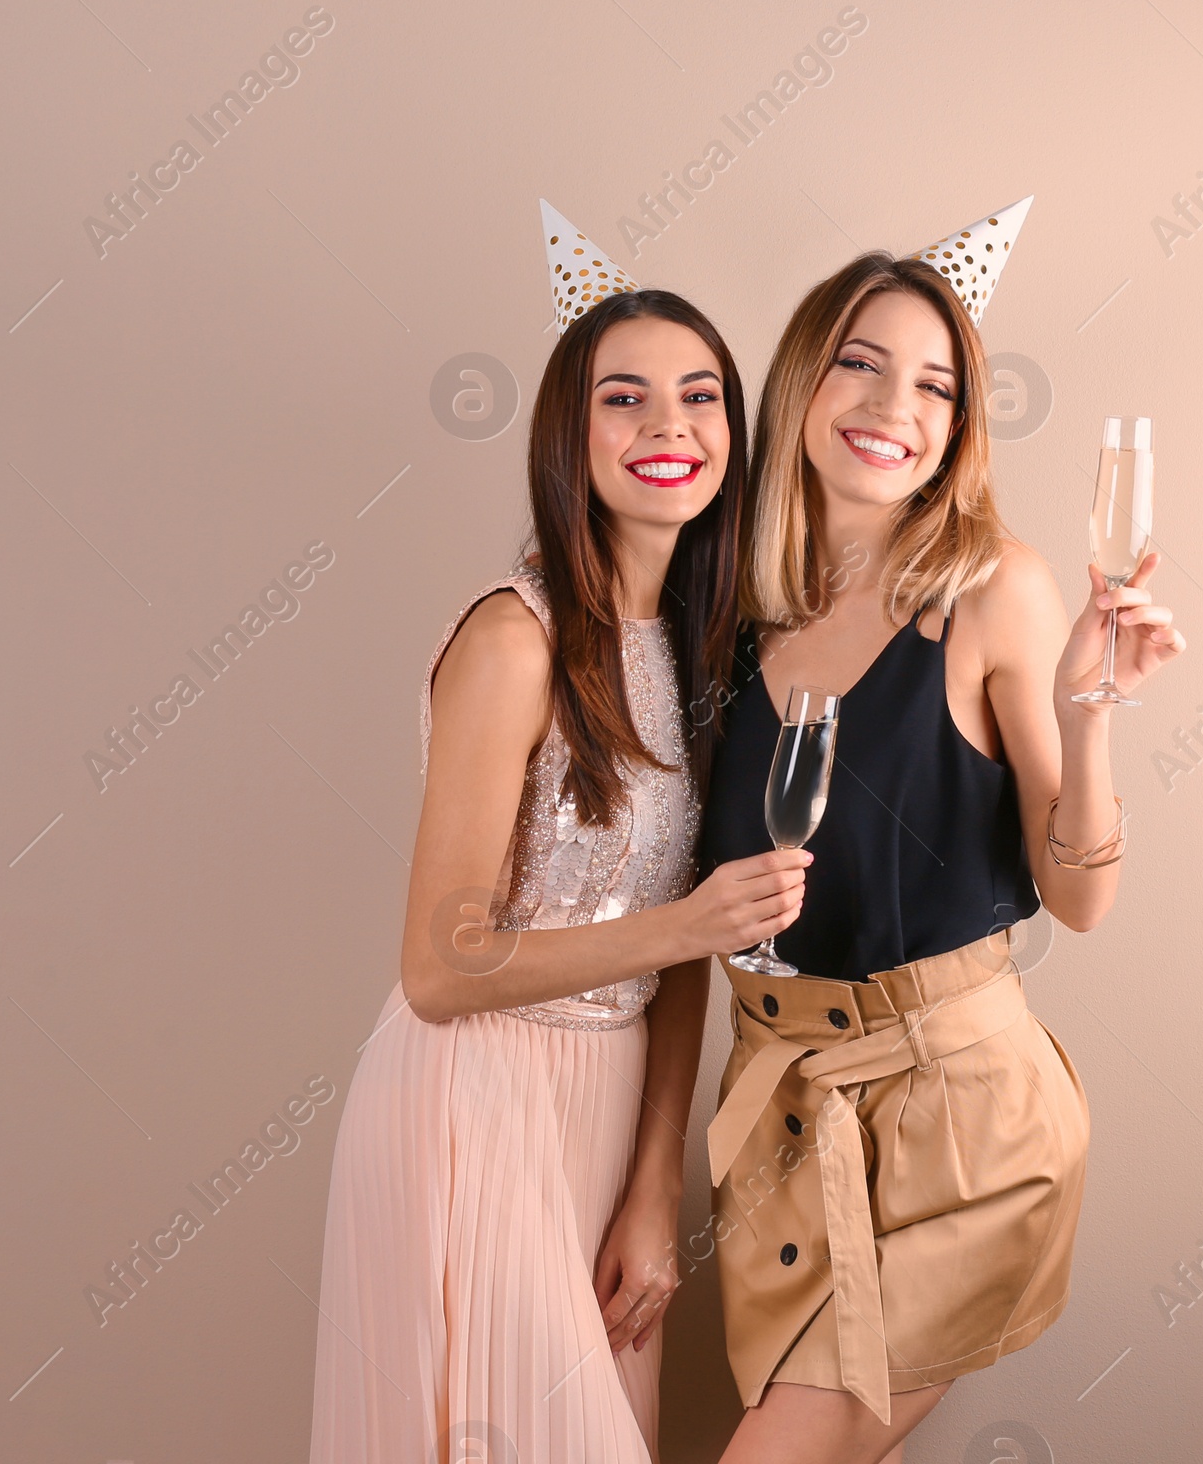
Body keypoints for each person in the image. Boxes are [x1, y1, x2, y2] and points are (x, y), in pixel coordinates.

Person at [308, 207, 810, 1464]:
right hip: (469, 1098)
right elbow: (439, 965)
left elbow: (680, 972)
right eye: (623, 400)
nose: (668, 428)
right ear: (565, 437)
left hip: (602, 1117)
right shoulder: (512, 637)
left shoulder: (706, 656)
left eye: (700, 398)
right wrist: (689, 922)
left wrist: (654, 1186)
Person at [700, 203, 1187, 1464]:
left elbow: (1076, 901)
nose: (892, 405)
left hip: (965, 1133)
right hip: (784, 1138)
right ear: (805, 381)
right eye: (861, 361)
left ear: (959, 428)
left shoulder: (992, 589)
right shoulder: (729, 617)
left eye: (935, 385)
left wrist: (1090, 715)